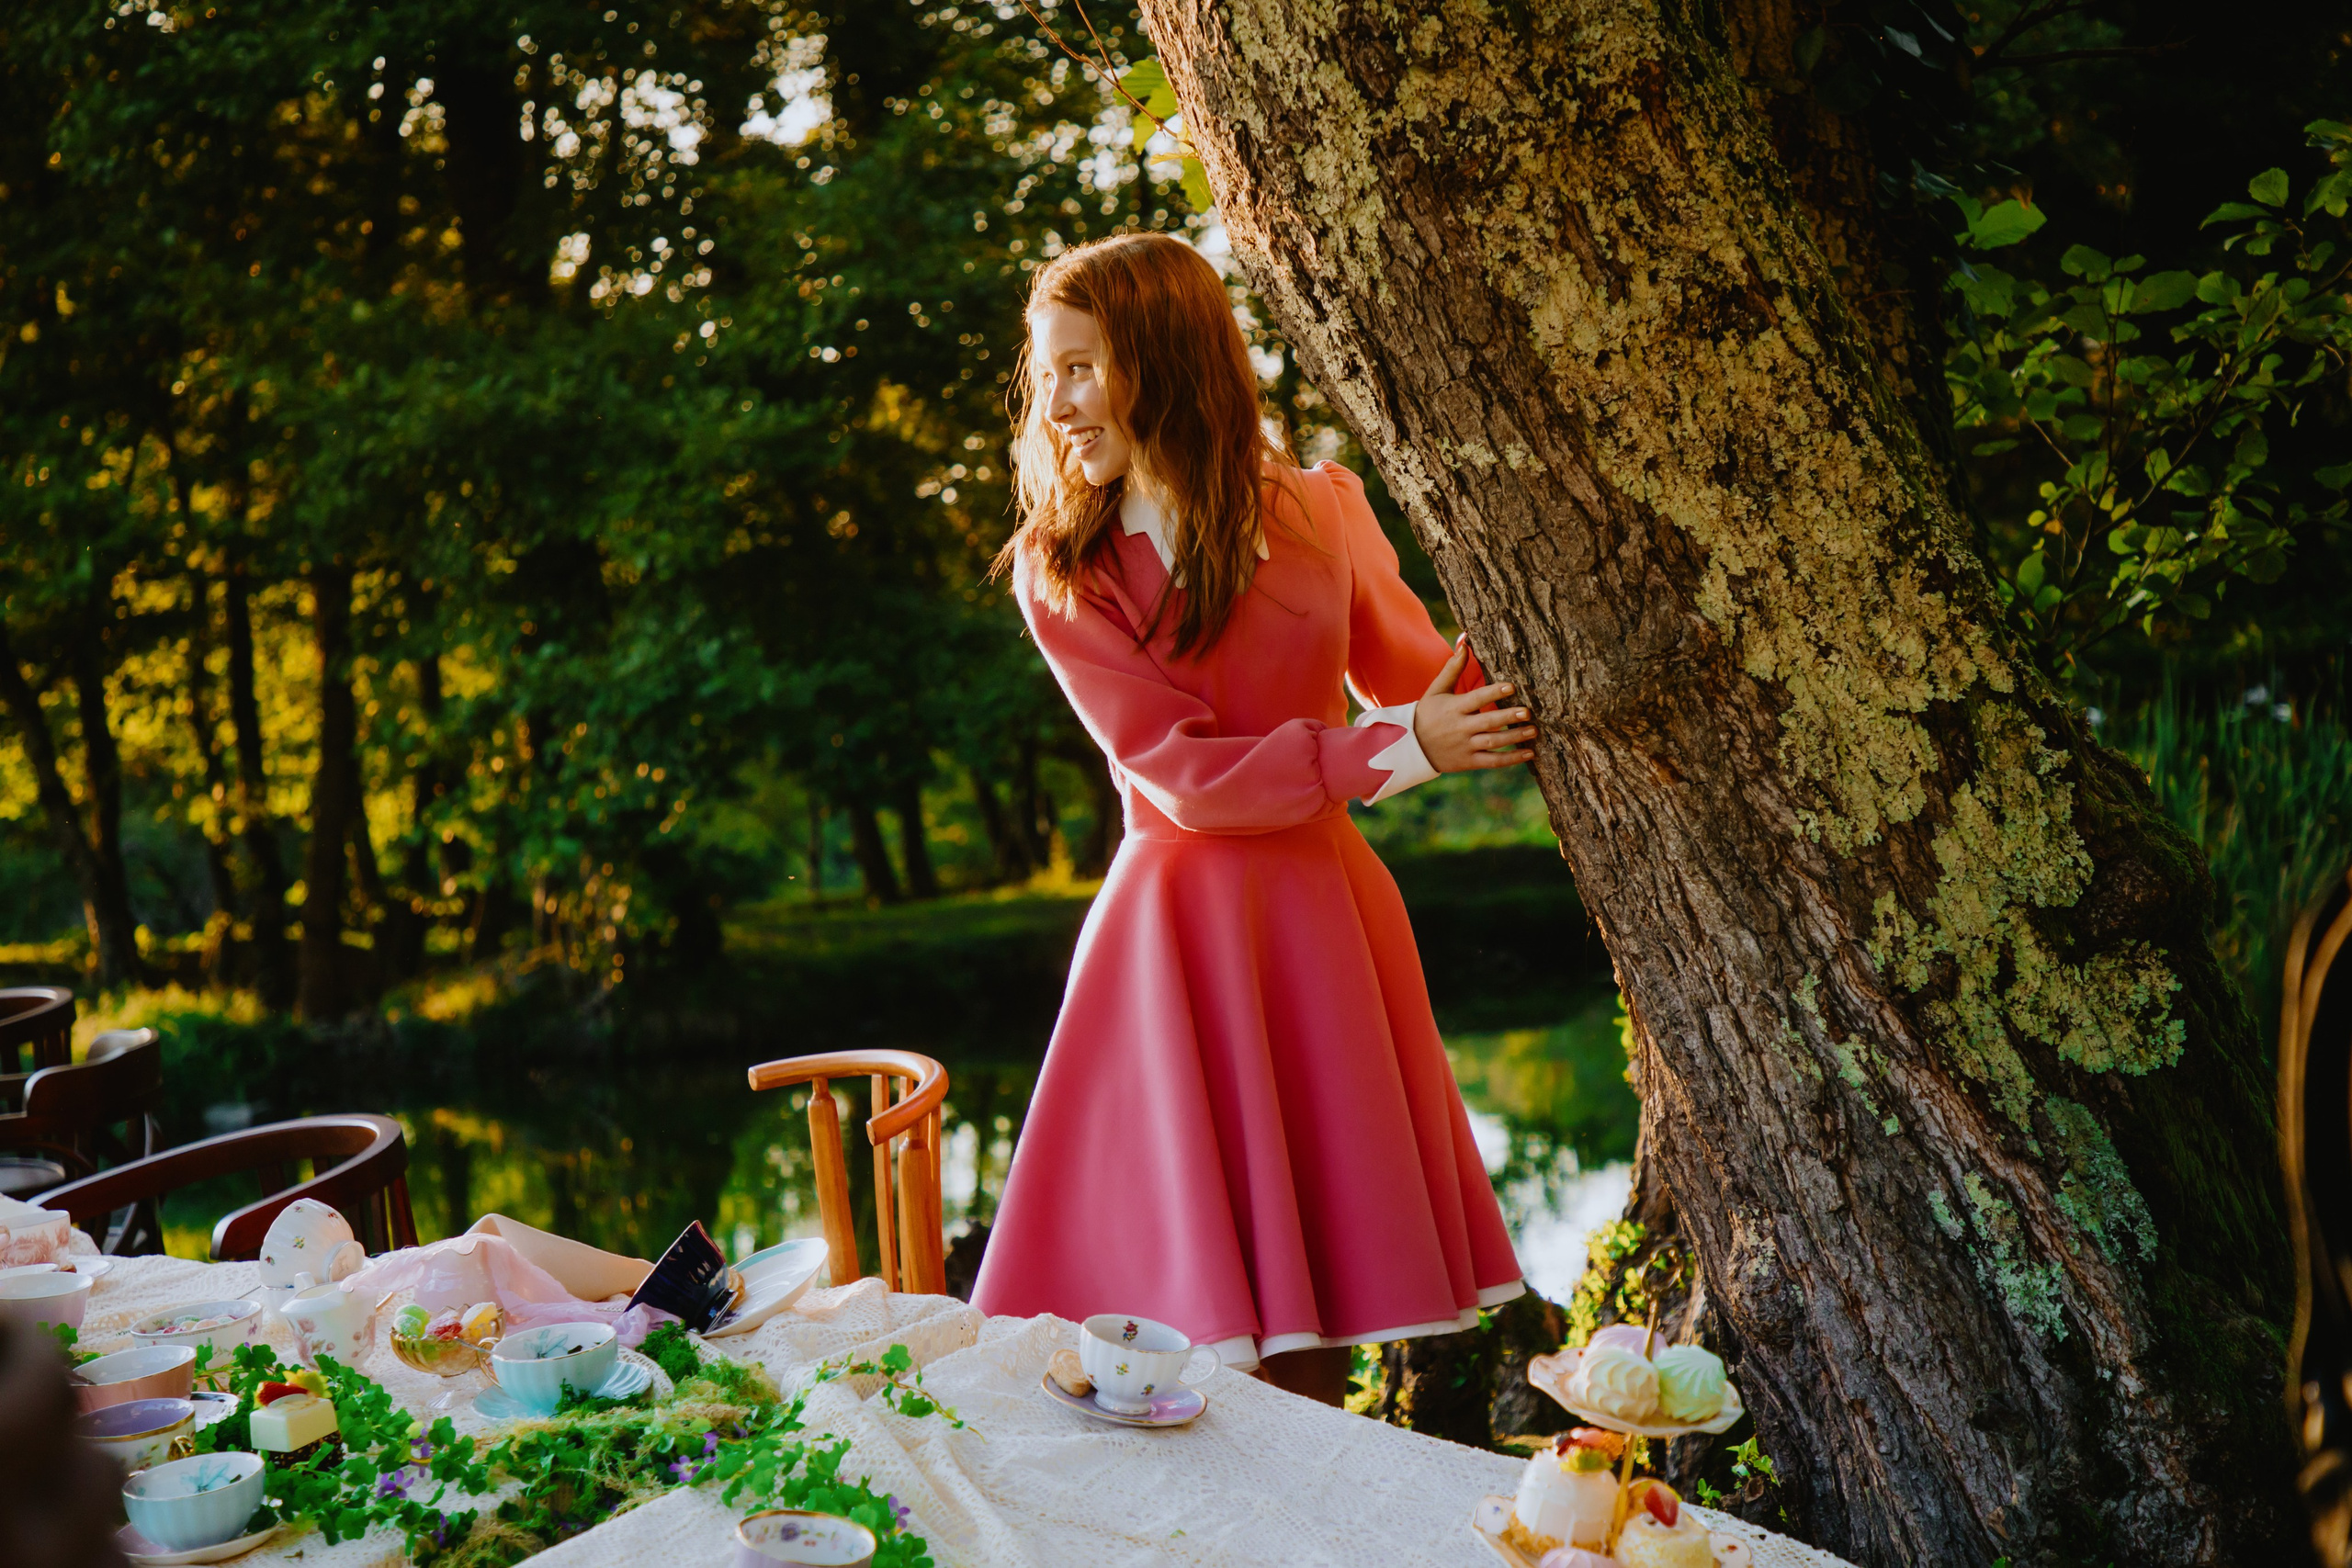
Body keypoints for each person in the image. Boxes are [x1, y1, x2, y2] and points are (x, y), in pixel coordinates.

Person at [969, 231, 1534, 1406]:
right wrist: (1391, 752)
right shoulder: (1063, 567)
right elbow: (1180, 773)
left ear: (1166, 358)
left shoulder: (1320, 508)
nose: (1055, 405)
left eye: (1081, 368)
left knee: (1321, 1295)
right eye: (1046, 372)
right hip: (1173, 938)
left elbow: (1428, 682)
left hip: (1324, 920)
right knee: (1183, 1320)